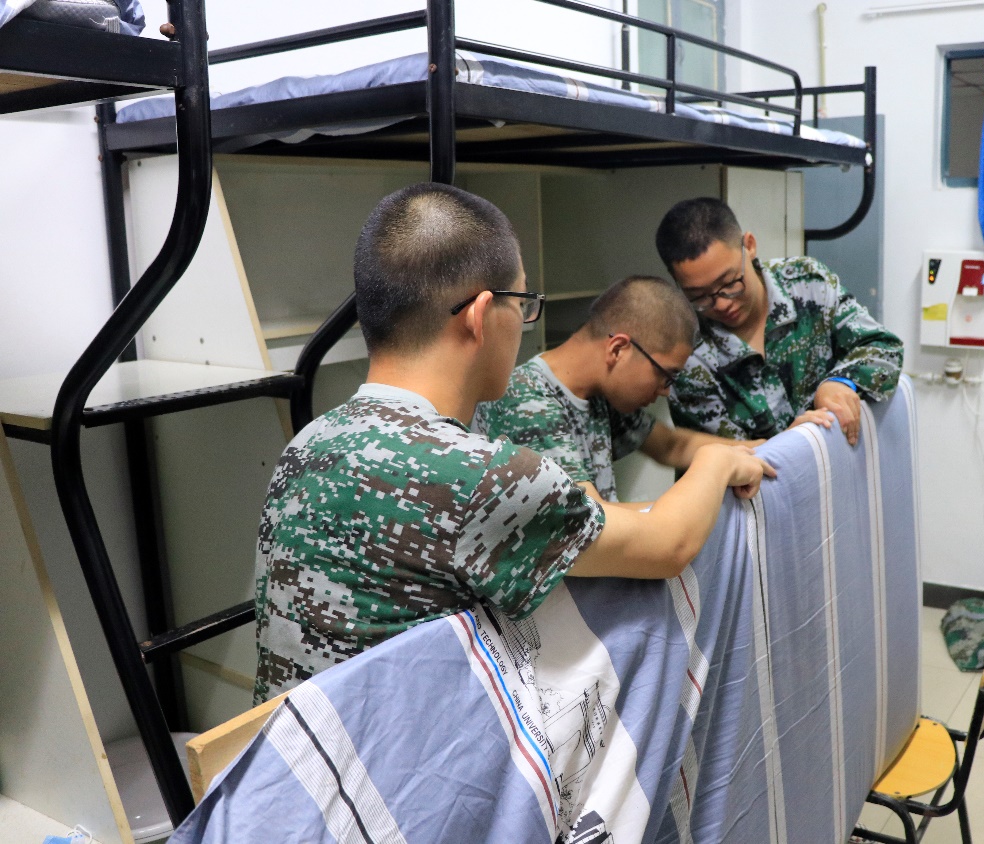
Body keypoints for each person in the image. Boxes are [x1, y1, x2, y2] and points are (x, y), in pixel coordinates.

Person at [253, 183, 772, 704]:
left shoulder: (306, 444)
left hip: (297, 745)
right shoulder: (483, 475)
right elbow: (669, 546)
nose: (525, 325)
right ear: (480, 315)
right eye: (523, 304)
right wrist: (716, 461)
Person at [474, 275, 761, 505]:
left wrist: (766, 447)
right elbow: (592, 524)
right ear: (618, 349)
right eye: (666, 375)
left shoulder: (598, 395)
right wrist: (712, 475)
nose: (665, 391)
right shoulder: (529, 402)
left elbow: (672, 446)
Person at [655, 197, 904, 445]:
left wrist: (840, 382)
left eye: (730, 283)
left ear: (749, 246)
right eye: (698, 296)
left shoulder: (807, 284)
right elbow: (724, 460)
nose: (721, 304)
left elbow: (884, 347)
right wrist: (790, 446)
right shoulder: (687, 357)